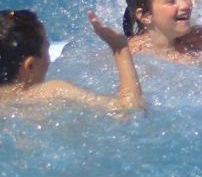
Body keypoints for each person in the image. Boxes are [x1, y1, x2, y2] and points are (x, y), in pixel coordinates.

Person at [0, 9, 145, 111]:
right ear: (30, 66)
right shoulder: (51, 92)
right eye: (46, 50)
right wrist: (119, 48)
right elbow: (130, 110)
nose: (49, 60)